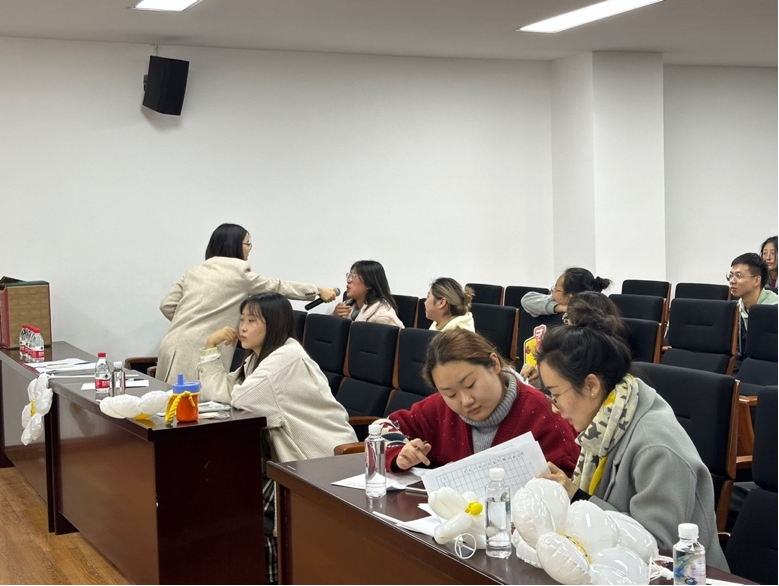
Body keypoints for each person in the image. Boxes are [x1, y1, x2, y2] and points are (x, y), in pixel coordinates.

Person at [535, 318, 729, 571]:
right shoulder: (606, 424)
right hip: (615, 567)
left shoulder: (655, 446)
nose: (554, 407)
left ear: (591, 385)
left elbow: (657, 546)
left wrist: (577, 497)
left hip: (682, 575)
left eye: (556, 394)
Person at [198, 292, 357, 584]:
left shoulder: (284, 360)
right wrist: (210, 349)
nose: (242, 327)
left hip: (319, 461)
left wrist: (210, 349)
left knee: (250, 513)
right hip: (287, 461)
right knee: (224, 495)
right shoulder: (259, 359)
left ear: (272, 323)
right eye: (241, 319)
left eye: (251, 320)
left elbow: (236, 397)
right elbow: (223, 392)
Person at [376, 329, 579, 476]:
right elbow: (382, 428)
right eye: (450, 394)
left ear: (494, 364)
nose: (466, 401)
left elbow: (570, 484)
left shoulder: (544, 414)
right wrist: (399, 453)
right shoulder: (438, 408)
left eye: (471, 384)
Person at [156, 223, 337, 384]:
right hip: (202, 349)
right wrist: (316, 290)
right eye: (247, 244)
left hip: (170, 343)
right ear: (234, 244)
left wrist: (190, 323)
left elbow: (167, 305)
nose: (249, 249)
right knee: (194, 405)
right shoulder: (239, 272)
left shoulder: (194, 271)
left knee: (165, 403)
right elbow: (277, 286)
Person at [520, 291, 626, 384]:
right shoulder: (615, 349)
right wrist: (542, 375)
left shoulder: (581, 356)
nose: (565, 324)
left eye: (567, 318)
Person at [728, 252, 779, 370]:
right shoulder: (736, 308)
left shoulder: (774, 309)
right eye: (730, 275)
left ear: (757, 281)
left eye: (738, 276)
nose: (732, 281)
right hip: (744, 366)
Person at [332, 260, 404, 328]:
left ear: (369, 284)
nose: (348, 280)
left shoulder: (383, 317)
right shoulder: (346, 306)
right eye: (349, 275)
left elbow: (397, 335)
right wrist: (334, 317)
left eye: (354, 276)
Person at [521, 267, 612, 318]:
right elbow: (527, 300)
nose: (553, 291)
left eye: (556, 288)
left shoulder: (591, 315)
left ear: (569, 296)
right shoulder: (554, 302)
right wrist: (560, 308)